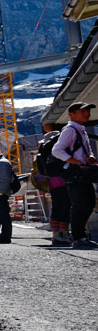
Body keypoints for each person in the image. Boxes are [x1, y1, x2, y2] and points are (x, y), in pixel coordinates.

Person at [52, 102, 98, 249]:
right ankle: (78, 238)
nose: (87, 113)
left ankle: (80, 236)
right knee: (80, 205)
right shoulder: (70, 130)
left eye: (87, 111)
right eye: (82, 111)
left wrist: (89, 157)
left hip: (81, 172)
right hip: (74, 173)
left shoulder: (80, 130)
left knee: (88, 203)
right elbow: (57, 150)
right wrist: (75, 161)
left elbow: (86, 150)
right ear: (71, 114)